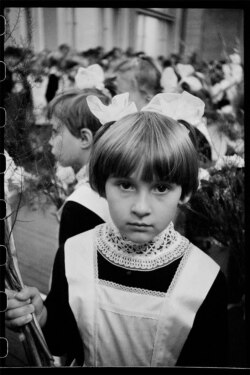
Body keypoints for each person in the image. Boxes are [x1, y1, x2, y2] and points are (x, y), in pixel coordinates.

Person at [6, 92, 228, 367]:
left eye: (161, 188)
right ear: (101, 184)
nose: (141, 207)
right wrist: (42, 317)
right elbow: (62, 341)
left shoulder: (205, 280)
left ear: (184, 193)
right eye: (125, 185)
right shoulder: (74, 253)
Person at [47, 88, 111, 246]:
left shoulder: (81, 204)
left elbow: (69, 268)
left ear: (84, 138)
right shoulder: (109, 180)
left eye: (55, 132)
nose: (50, 141)